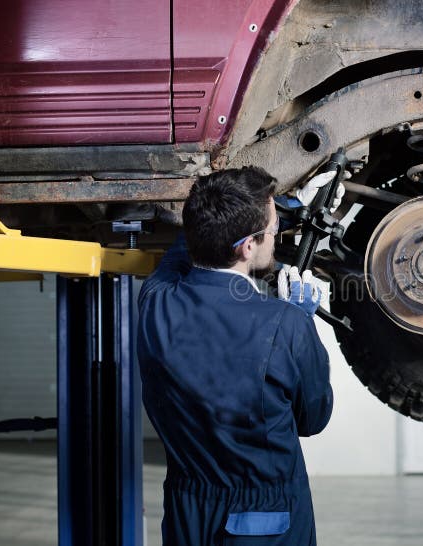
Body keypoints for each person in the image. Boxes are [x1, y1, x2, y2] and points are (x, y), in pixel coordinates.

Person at [137, 166, 335, 546]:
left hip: (187, 514)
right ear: (247, 247)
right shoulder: (286, 326)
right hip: (264, 522)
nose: (276, 237)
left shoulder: (154, 303)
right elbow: (313, 419)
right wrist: (303, 329)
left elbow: (192, 241)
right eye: (273, 230)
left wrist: (287, 206)